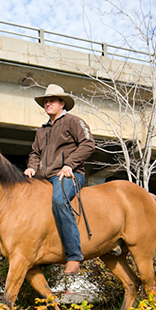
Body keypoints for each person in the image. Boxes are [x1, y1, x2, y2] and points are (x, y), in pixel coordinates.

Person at [24, 84, 95, 275]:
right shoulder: (42, 130)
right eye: (46, 101)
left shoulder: (73, 121)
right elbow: (35, 153)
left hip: (69, 175)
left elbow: (88, 144)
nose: (48, 104)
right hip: (43, 178)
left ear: (62, 103)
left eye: (52, 101)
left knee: (59, 200)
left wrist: (69, 164)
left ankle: (73, 256)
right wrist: (31, 167)